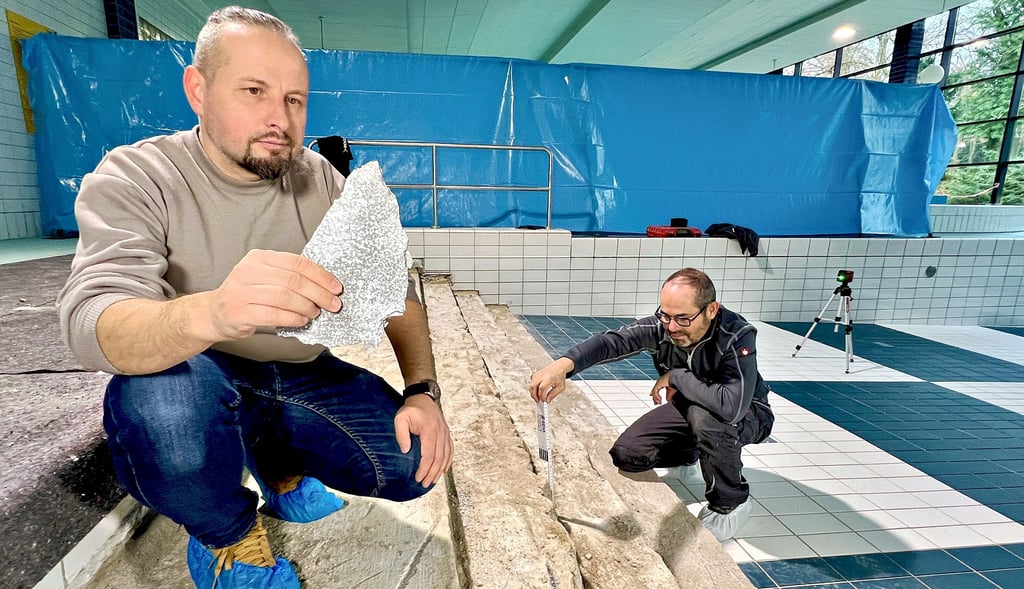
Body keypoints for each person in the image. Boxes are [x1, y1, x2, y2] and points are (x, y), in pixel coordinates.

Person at [57, 7, 453, 589]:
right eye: (254, 91)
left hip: (296, 375)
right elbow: (93, 321)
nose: (279, 118)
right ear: (199, 89)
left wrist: (423, 391)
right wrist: (213, 311)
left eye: (295, 99)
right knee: (162, 412)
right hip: (195, 373)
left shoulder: (323, 182)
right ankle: (227, 534)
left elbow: (398, 292)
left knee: (409, 465)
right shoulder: (137, 176)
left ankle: (279, 466)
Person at [529, 268, 774, 541]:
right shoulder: (664, 327)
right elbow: (613, 342)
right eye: (666, 315)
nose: (672, 327)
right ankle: (688, 453)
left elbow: (731, 407)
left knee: (708, 420)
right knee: (628, 454)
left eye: (683, 318)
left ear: (711, 310)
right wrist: (563, 366)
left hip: (748, 411)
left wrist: (678, 376)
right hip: (693, 406)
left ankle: (731, 502)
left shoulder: (736, 335)